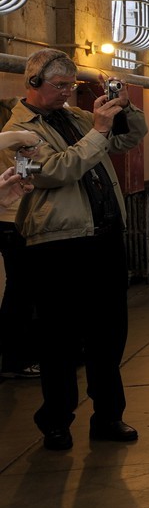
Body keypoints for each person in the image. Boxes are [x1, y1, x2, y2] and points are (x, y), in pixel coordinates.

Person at [10, 50, 147, 450]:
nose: (68, 92)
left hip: (104, 238)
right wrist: (98, 131)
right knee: (60, 338)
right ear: (33, 83)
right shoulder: (17, 130)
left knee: (109, 333)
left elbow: (126, 138)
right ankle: (56, 419)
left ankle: (108, 416)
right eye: (60, 85)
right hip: (58, 245)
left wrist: (124, 108)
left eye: (72, 85)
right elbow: (53, 172)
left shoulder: (76, 118)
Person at [0, 130, 40, 381]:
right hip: (11, 221)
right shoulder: (19, 130)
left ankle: (15, 359)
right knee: (21, 290)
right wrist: (22, 136)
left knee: (20, 289)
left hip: (11, 214)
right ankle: (16, 359)